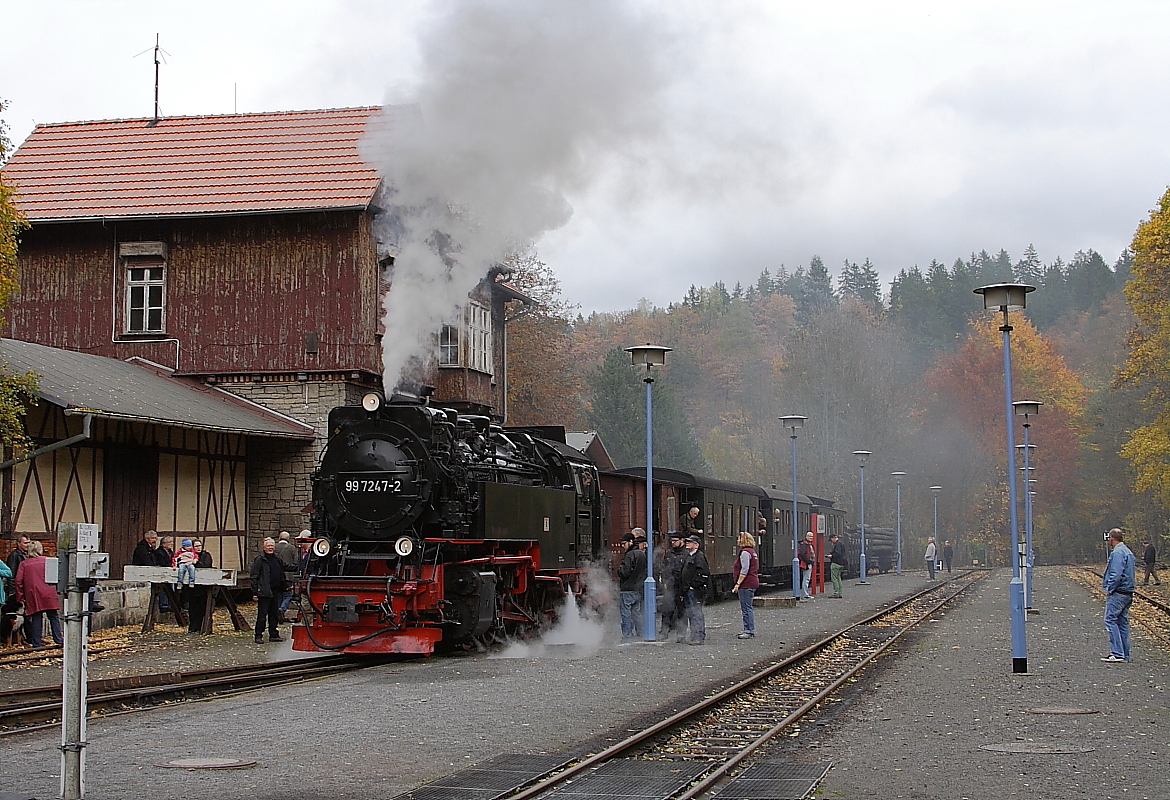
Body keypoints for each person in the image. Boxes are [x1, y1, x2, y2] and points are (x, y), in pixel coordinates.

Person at [14, 540, 62, 647]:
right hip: (49, 592)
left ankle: (36, 643)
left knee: (36, 618)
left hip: (33, 594)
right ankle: (59, 639)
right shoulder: (48, 561)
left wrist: (20, 596)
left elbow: (18, 581)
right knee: (53, 616)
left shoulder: (24, 564)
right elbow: (57, 577)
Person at [250, 537, 296, 644]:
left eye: (272, 546)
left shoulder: (276, 558)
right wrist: (254, 592)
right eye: (268, 546)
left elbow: (285, 566)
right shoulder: (260, 560)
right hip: (264, 592)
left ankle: (273, 634)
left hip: (276, 591)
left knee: (274, 615)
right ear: (264, 547)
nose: (270, 548)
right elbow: (254, 576)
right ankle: (258, 635)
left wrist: (298, 567)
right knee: (262, 616)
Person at [1102, 528, 1135, 662]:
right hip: (1128, 592)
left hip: (1118, 592)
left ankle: (1117, 653)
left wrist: (1109, 588)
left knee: (1110, 619)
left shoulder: (1117, 553)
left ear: (1111, 538)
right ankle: (1124, 653)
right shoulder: (1127, 551)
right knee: (1122, 622)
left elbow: (1116, 574)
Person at [678, 535, 710, 645]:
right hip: (688, 589)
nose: (687, 543)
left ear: (696, 545)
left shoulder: (699, 557)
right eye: (687, 541)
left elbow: (703, 574)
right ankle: (694, 635)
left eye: (690, 542)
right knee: (691, 613)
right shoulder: (690, 556)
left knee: (696, 613)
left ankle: (698, 636)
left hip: (695, 590)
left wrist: (693, 585)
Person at [616, 529, 647, 641]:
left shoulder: (630, 555)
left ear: (630, 542)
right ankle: (641, 633)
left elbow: (624, 572)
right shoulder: (641, 554)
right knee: (636, 613)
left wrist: (619, 570)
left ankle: (627, 635)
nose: (622, 546)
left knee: (626, 613)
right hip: (638, 588)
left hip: (627, 588)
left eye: (624, 543)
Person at [659, 532, 688, 641]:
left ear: (682, 540)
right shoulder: (669, 553)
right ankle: (664, 631)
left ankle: (681, 634)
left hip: (681, 586)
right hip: (670, 585)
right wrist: (664, 579)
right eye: (672, 541)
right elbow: (664, 567)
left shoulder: (686, 554)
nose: (673, 543)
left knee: (682, 611)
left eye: (675, 541)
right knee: (666, 609)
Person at [4, 535, 32, 642]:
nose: (27, 545)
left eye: (29, 542)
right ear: (18, 544)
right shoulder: (14, 555)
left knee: (26, 615)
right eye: (25, 543)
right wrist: (12, 591)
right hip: (16, 590)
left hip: (23, 590)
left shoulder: (26, 555)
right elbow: (11, 574)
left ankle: (27, 638)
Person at [732, 532, 759, 638]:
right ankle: (748, 629)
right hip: (752, 581)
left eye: (739, 538)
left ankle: (748, 630)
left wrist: (738, 583)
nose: (737, 540)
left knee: (746, 608)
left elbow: (744, 569)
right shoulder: (752, 552)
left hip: (746, 583)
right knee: (747, 607)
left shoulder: (745, 553)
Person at [184, 541, 214, 633]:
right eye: (196, 546)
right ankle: (193, 627)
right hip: (192, 586)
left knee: (202, 607)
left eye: (199, 546)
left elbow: (206, 566)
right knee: (193, 608)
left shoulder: (206, 555)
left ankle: (202, 626)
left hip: (203, 586)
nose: (198, 547)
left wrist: (196, 562)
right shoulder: (188, 555)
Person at [274, 531, 299, 620]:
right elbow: (296, 562)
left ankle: (278, 612)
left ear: (279, 538)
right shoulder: (292, 548)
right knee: (288, 595)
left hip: (276, 576)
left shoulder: (274, 547)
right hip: (288, 576)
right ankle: (282, 609)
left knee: (279, 595)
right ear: (288, 538)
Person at [828, 533, 847, 598]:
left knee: (834, 579)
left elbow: (837, 553)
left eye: (831, 540)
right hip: (841, 563)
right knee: (838, 578)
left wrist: (831, 556)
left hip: (836, 563)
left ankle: (836, 593)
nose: (831, 542)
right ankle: (840, 593)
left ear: (833, 538)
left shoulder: (837, 545)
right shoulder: (841, 544)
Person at [798, 531, 816, 601]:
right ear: (806, 536)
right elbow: (803, 554)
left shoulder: (808, 544)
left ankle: (805, 593)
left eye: (812, 536)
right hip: (806, 563)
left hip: (808, 563)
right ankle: (805, 594)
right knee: (806, 579)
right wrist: (809, 561)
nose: (811, 538)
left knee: (806, 578)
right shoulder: (805, 545)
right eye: (810, 536)